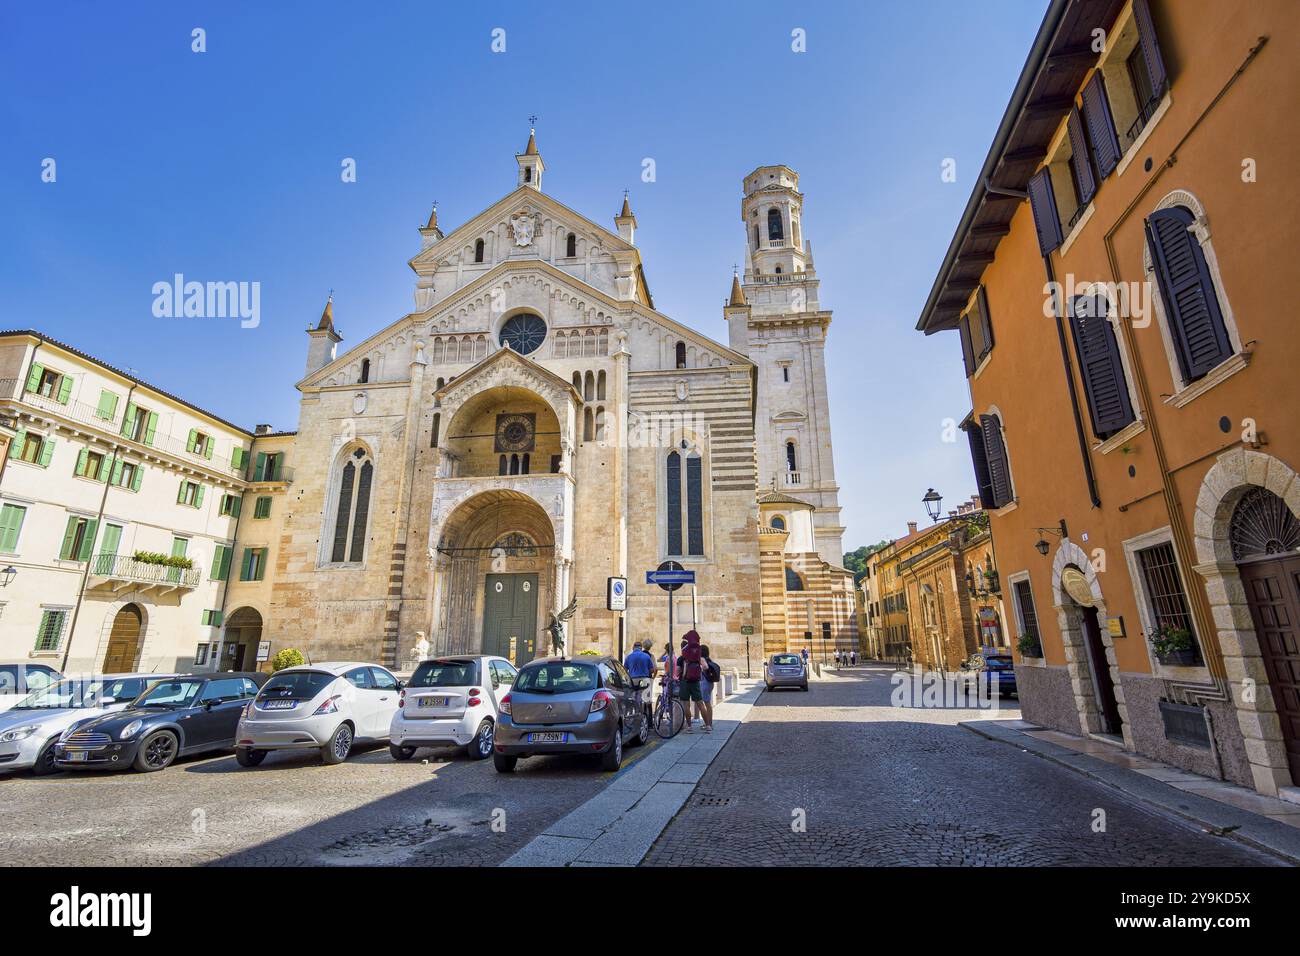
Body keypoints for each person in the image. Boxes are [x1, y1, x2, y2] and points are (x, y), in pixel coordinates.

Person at [676, 630, 704, 732]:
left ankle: (689, 727)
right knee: (700, 703)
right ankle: (708, 725)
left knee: (686, 704)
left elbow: (678, 671)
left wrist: (678, 676)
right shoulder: (696, 653)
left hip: (685, 681)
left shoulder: (681, 657)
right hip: (695, 680)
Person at [698, 643, 720, 733]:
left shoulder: (702, 659)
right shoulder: (708, 659)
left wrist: (701, 668)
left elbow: (705, 667)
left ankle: (709, 724)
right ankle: (708, 723)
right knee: (707, 703)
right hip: (709, 683)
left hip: (704, 683)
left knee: (705, 703)